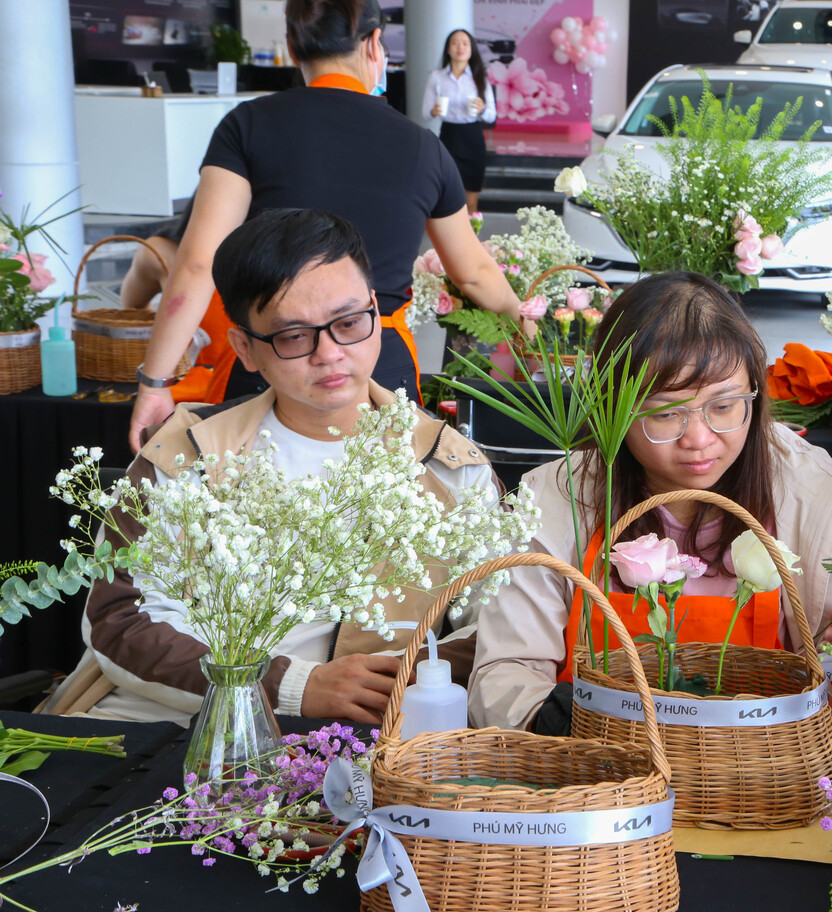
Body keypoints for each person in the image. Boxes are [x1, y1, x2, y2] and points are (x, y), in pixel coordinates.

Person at [44, 208, 499, 726]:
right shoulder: (186, 457)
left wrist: (398, 683)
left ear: (375, 313)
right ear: (245, 349)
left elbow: (498, 621)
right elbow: (120, 623)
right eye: (294, 336)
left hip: (377, 729)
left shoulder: (451, 465)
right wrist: (292, 686)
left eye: (349, 323)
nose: (329, 354)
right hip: (184, 725)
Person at [469, 272, 832, 736]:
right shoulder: (557, 500)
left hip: (759, 776)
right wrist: (580, 732)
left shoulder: (805, 494)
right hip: (598, 776)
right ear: (608, 403)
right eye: (665, 412)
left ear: (755, 398)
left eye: (723, 407)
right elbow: (503, 680)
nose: (698, 440)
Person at [127, 0, 522, 453]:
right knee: (383, 516)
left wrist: (154, 383)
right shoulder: (422, 146)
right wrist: (523, 323)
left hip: (276, 356)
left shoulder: (247, 125)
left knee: (250, 512)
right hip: (377, 363)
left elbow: (197, 263)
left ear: (293, 48)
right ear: (375, 44)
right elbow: (474, 273)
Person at [423, 29, 497, 214]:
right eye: (455, 43)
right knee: (447, 200)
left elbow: (491, 116)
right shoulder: (437, 77)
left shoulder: (480, 78)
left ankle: (470, 240)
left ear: (471, 50)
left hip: (472, 139)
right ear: (448, 49)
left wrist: (482, 109)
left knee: (471, 202)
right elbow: (425, 113)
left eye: (465, 43)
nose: (460, 47)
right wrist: (434, 111)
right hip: (448, 137)